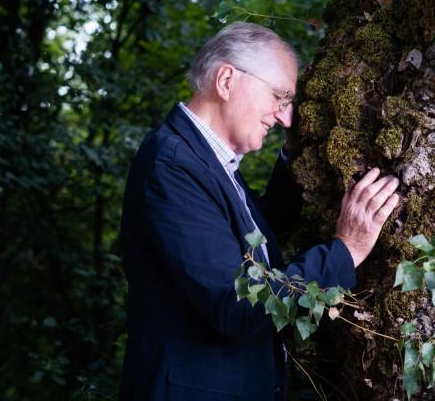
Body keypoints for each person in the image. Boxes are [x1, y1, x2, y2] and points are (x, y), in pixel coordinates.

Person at [118, 22, 399, 400]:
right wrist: (346, 251)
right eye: (279, 97)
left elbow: (252, 238)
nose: (285, 117)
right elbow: (235, 302)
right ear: (227, 80)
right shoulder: (171, 165)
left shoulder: (205, 161)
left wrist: (296, 153)